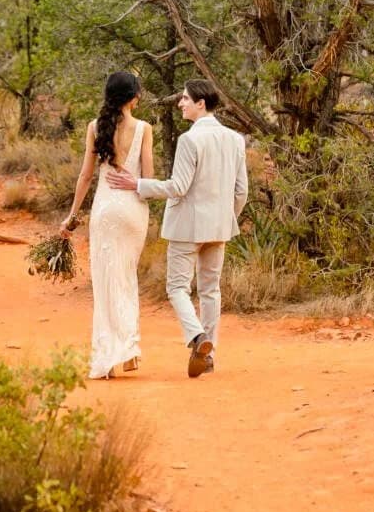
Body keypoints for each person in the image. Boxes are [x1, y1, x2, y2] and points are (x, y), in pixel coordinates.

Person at [105, 79, 247, 378]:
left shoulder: (189, 140)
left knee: (177, 288)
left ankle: (197, 337)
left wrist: (138, 184)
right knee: (210, 290)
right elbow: (241, 191)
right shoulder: (235, 139)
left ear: (200, 103)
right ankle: (208, 357)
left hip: (186, 227)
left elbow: (178, 187)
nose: (180, 103)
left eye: (185, 99)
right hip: (219, 227)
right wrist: (226, 218)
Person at [60, 72, 153, 379]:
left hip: (105, 209)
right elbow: (148, 178)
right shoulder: (144, 129)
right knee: (126, 277)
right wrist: (135, 184)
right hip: (132, 209)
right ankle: (129, 349)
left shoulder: (95, 127)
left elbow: (86, 176)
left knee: (105, 283)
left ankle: (109, 357)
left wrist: (72, 216)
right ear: (133, 97)